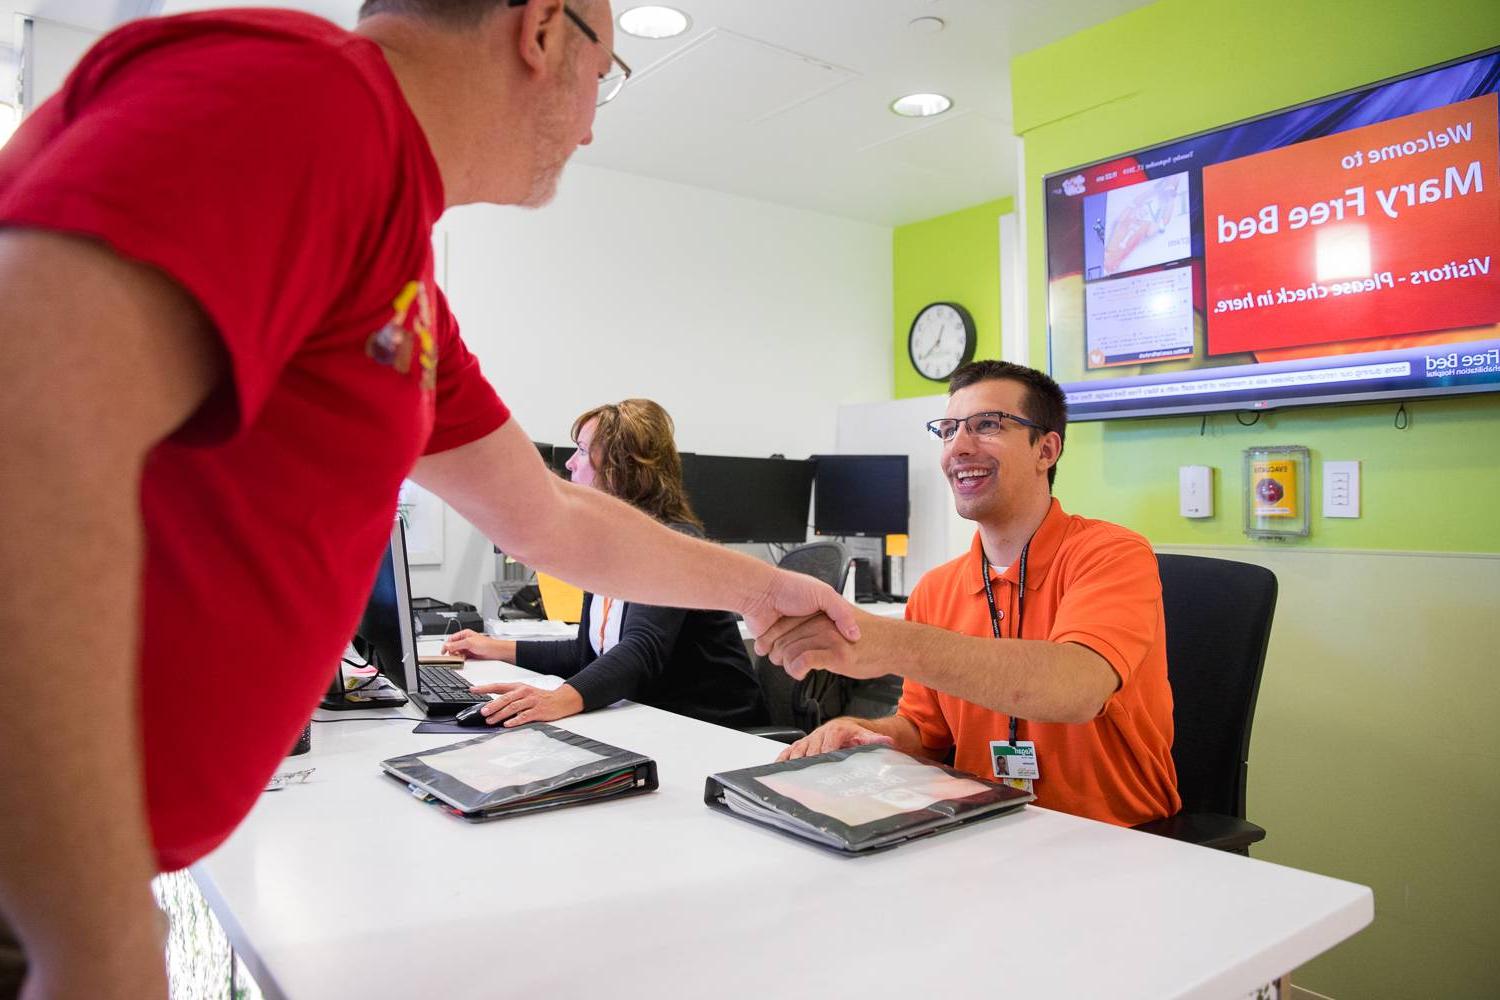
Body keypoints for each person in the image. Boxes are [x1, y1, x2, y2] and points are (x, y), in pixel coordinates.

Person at [0, 2, 856, 995]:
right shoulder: (303, 101)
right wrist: (97, 935)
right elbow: (25, 442)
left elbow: (550, 514)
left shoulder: (393, 262)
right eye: (604, 77)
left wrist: (756, 587)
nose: (589, 126)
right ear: (541, 32)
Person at [760, 360, 1180, 827]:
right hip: (987, 829)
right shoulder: (937, 589)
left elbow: (1076, 690)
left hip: (1117, 840)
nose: (958, 446)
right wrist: (867, 732)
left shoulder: (1111, 554)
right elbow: (925, 733)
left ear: (1046, 449)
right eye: (946, 430)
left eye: (987, 425)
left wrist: (888, 643)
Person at [442, 399, 768, 728]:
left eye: (582, 451)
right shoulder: (607, 546)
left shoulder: (669, 542)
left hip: (715, 730)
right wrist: (495, 648)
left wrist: (558, 699)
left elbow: (641, 649)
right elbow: (586, 653)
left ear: (621, 467)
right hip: (654, 717)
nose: (570, 463)